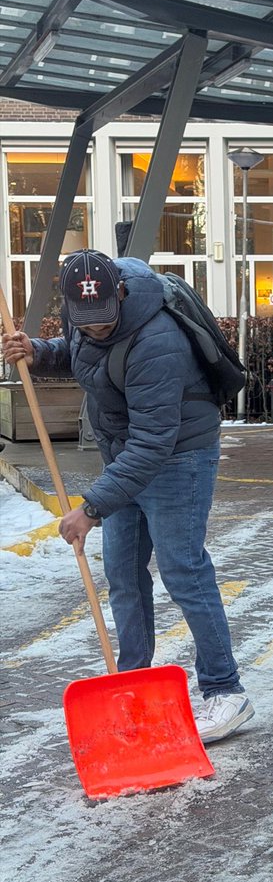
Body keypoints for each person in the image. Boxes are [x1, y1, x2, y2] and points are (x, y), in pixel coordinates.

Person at [1, 249, 252, 741]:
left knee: (184, 571)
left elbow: (153, 442)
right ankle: (135, 679)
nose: (94, 328)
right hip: (125, 457)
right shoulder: (85, 312)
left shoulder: (157, 339)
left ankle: (226, 691)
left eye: (102, 321)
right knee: (121, 572)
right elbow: (84, 353)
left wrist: (91, 507)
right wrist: (39, 349)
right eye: (83, 322)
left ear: (120, 291)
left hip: (178, 457)